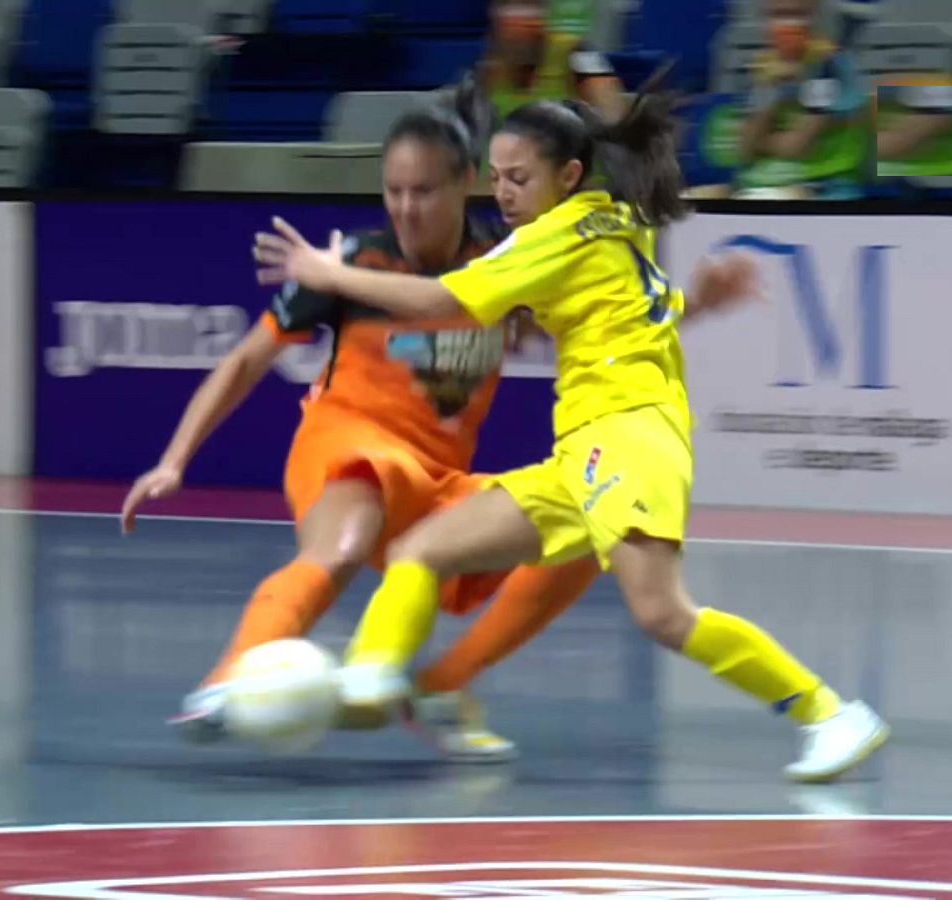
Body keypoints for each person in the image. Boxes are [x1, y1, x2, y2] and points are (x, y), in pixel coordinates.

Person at [253, 86, 889, 783]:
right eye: (495, 178)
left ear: (570, 176)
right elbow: (632, 311)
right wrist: (697, 304)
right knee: (422, 548)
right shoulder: (617, 221)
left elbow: (439, 301)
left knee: (662, 613)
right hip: (584, 450)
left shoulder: (549, 238)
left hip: (628, 436)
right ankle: (372, 677)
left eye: (519, 178)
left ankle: (829, 714)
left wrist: (327, 273)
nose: (504, 193)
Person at [127, 80, 753, 762]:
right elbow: (247, 361)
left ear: (465, 185)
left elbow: (610, 318)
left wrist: (697, 307)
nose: (405, 208)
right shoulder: (352, 265)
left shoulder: (506, 263)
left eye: (422, 191)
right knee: (343, 544)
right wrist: (174, 458)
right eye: (393, 191)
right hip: (347, 446)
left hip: (436, 479)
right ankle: (225, 682)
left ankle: (443, 685)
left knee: (584, 543)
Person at [734, 0, 870, 200]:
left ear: (817, 18)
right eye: (779, 15)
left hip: (822, 187)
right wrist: (769, 89)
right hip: (764, 182)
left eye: (798, 15)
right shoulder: (763, 67)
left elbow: (794, 147)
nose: (789, 24)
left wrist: (761, 142)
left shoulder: (828, 67)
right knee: (695, 197)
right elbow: (744, 151)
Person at [478, 0, 624, 121]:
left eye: (529, 11)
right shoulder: (489, 67)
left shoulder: (579, 52)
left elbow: (614, 114)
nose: (522, 24)